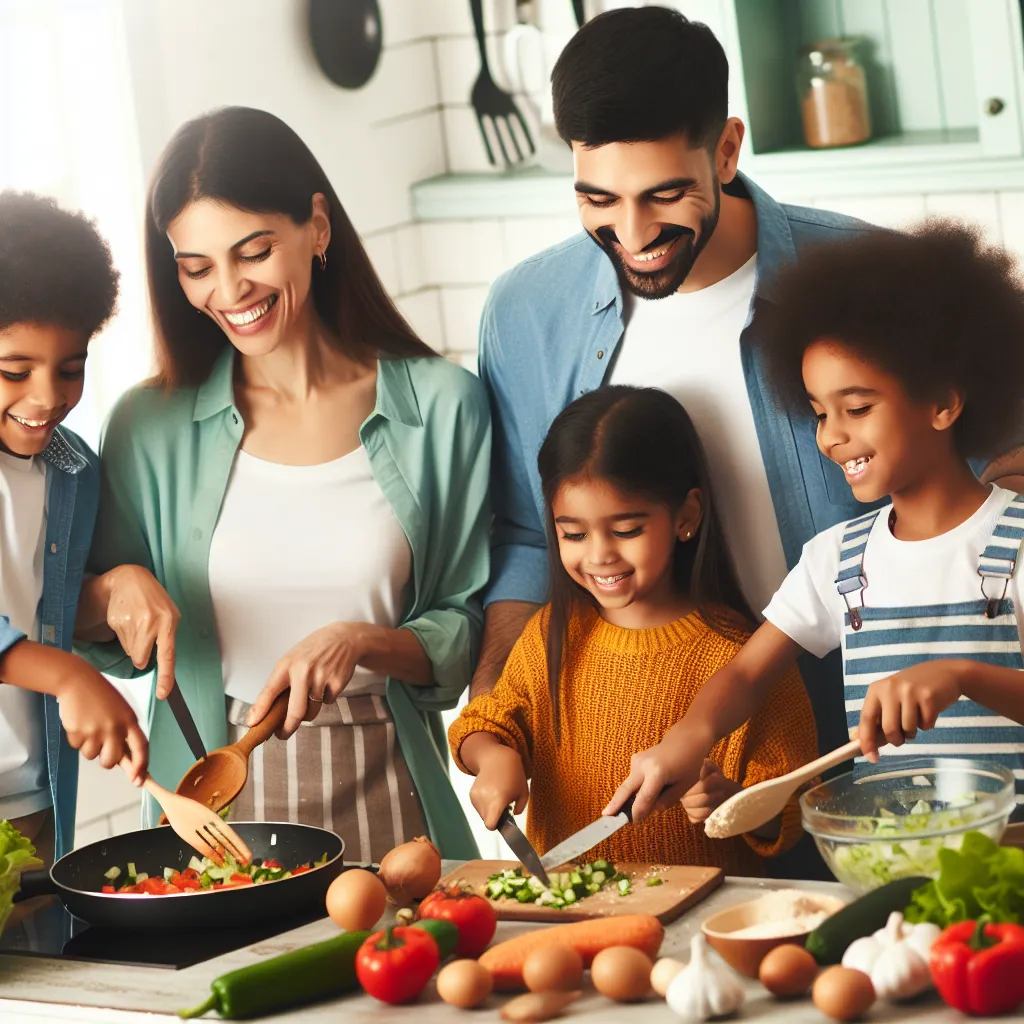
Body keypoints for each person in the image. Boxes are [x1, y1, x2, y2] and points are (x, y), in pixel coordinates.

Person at [471, 5, 1024, 769]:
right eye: (598, 199)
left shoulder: (874, 279)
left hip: (885, 741)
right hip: (659, 758)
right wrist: (496, 719)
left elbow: (1008, 453)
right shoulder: (525, 313)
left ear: (725, 149)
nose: (631, 235)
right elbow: (530, 538)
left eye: (663, 195)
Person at [74, 107, 491, 861]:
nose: (229, 290)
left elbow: (465, 631)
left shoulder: (443, 407)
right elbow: (77, 621)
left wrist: (360, 640)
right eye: (196, 267)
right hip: (209, 806)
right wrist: (114, 591)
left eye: (254, 251)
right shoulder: (148, 423)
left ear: (318, 227)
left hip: (391, 793)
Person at [604, 222, 1024, 825]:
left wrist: (962, 675)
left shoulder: (1014, 543)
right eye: (819, 412)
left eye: (856, 408)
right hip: (889, 871)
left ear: (942, 403)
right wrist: (686, 740)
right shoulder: (840, 560)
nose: (831, 435)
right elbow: (748, 674)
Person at [449, 386, 817, 873]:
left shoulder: (745, 657)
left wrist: (732, 803)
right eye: (573, 534)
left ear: (685, 517)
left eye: (626, 530)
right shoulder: (551, 636)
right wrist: (493, 758)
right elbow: (484, 724)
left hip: (698, 926)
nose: (599, 555)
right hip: (570, 919)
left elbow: (792, 811)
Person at [0, 191, 147, 867]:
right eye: (13, 370)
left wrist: (119, 585)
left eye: (70, 368)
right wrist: (67, 677)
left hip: (35, 796)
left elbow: (44, 602)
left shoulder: (74, 469)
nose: (46, 397)